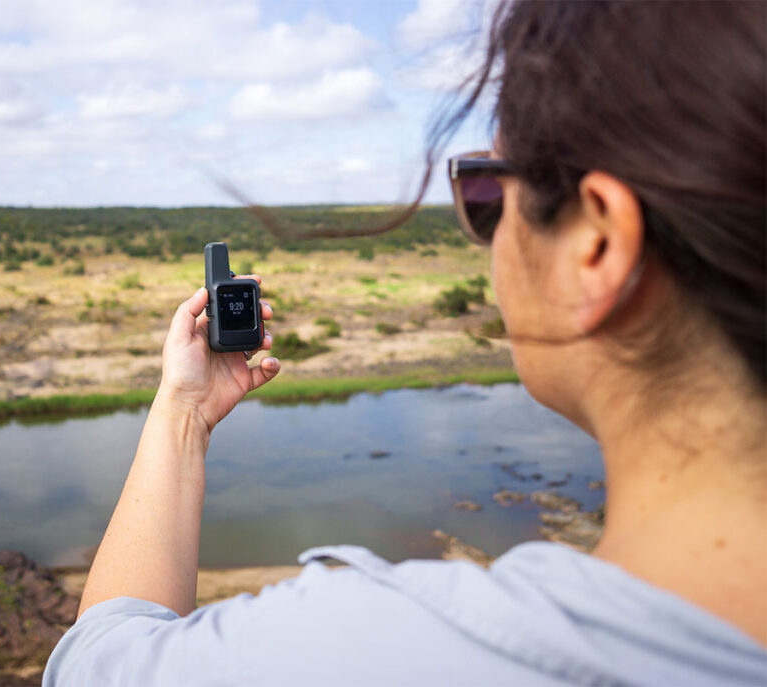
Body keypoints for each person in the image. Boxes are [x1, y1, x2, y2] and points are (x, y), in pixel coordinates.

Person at [44, 1, 766, 684]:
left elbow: (95, 663)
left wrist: (181, 412)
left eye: (487, 195)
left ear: (595, 243)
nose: (484, 234)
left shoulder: (402, 650)